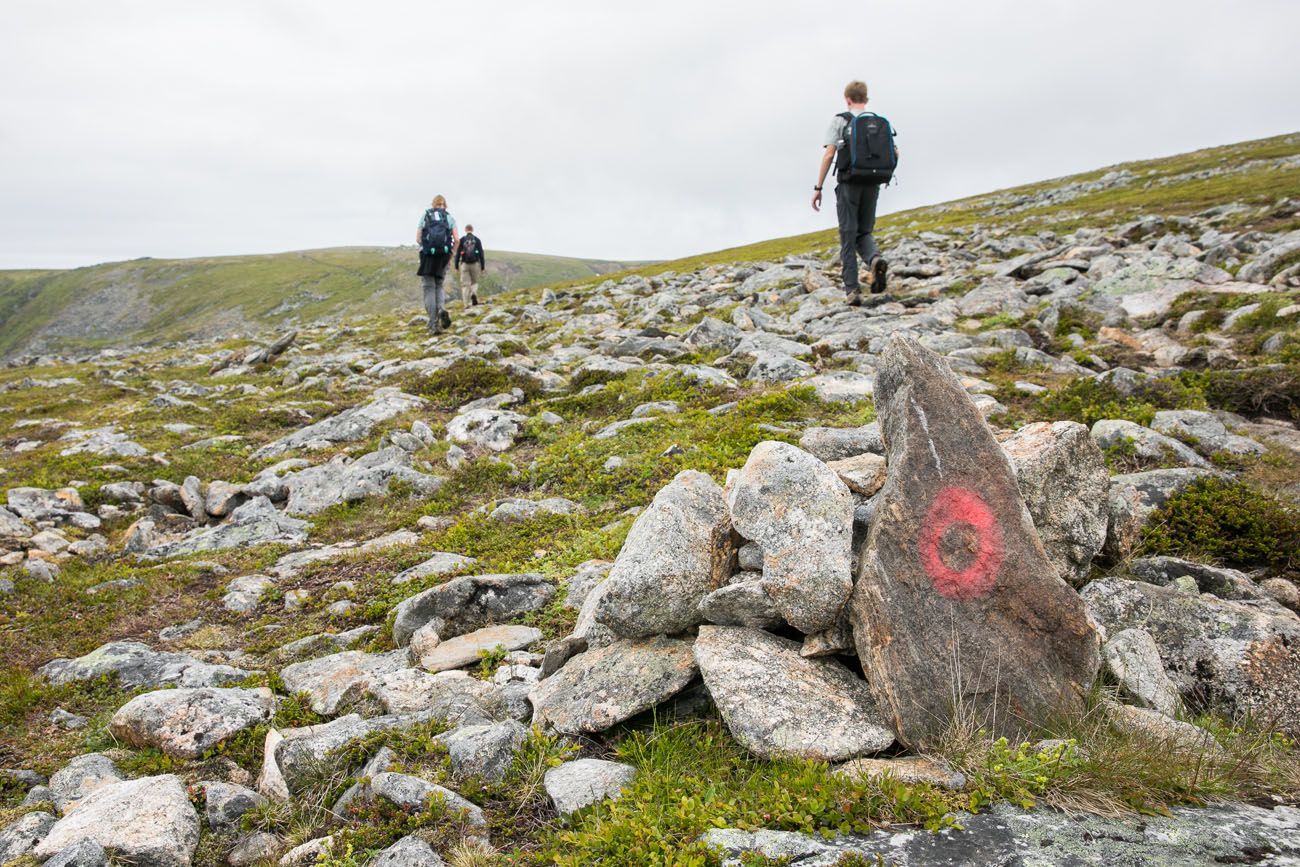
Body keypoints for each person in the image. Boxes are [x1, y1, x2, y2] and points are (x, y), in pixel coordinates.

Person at [812, 80, 894, 305]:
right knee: (864, 231)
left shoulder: (841, 120)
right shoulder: (878, 122)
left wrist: (818, 187)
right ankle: (874, 258)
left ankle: (852, 290)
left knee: (848, 235)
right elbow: (894, 151)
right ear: (866, 99)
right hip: (873, 181)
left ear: (847, 99)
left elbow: (829, 154)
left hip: (849, 182)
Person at [416, 195, 459, 334]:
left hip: (428, 256)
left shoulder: (426, 215)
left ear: (433, 204)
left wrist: (426, 247)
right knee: (439, 285)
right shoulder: (449, 218)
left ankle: (433, 323)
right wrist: (451, 253)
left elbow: (417, 238)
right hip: (444, 256)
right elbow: (457, 239)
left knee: (428, 287)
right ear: (444, 205)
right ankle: (441, 309)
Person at [455, 224, 486, 307]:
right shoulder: (477, 240)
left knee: (465, 285)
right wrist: (482, 266)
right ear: (472, 230)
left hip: (464, 264)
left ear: (465, 230)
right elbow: (481, 254)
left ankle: (466, 304)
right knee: (474, 282)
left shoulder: (462, 240)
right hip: (475, 264)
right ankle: (474, 293)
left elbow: (458, 253)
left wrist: (456, 266)